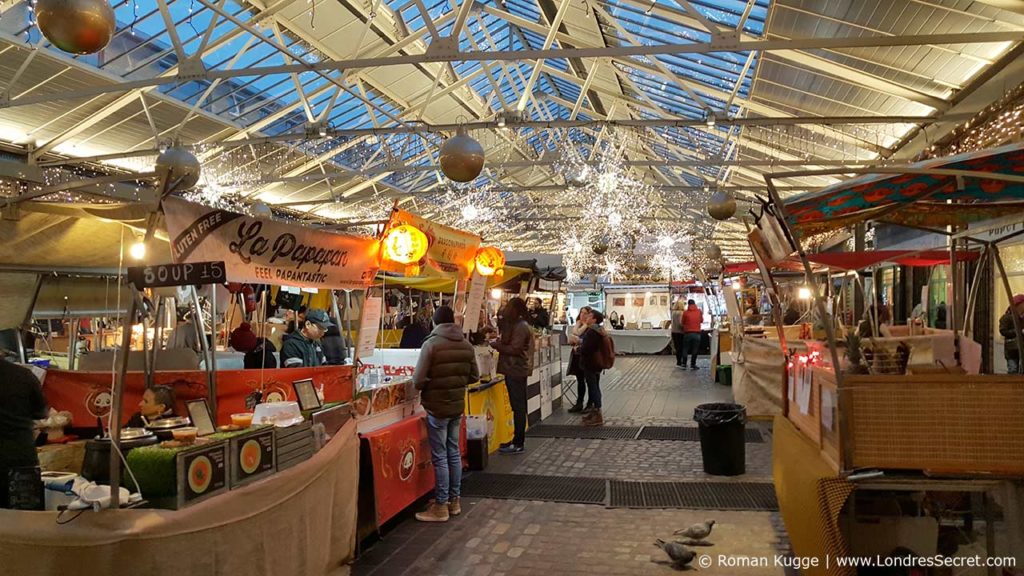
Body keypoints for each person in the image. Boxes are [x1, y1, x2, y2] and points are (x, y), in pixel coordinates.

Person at [412, 306, 479, 522]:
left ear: (434, 322)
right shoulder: (467, 345)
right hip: (456, 407)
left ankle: (441, 506)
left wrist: (433, 383)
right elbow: (474, 376)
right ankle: (455, 501)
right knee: (453, 453)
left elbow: (418, 380)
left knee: (440, 456)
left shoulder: (431, 344)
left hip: (437, 408)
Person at [0, 356, 48, 508]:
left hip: (17, 458)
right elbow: (41, 413)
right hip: (20, 460)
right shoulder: (23, 375)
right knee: (24, 521)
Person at [490, 297, 531, 455]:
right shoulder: (518, 325)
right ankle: (516, 439)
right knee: (517, 406)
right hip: (513, 369)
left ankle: (518, 442)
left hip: (516, 370)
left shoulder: (521, 327)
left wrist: (497, 345)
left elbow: (515, 349)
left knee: (518, 406)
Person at [577, 310, 608, 426]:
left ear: (594, 319)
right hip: (596, 363)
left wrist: (578, 348)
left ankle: (597, 413)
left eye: (589, 316)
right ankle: (594, 412)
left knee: (593, 386)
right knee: (594, 386)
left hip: (590, 363)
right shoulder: (599, 330)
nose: (587, 318)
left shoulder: (592, 332)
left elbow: (587, 348)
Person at [566, 306, 592, 413]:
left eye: (585, 313)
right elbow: (574, 335)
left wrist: (579, 341)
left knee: (590, 381)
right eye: (581, 312)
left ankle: (591, 403)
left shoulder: (590, 327)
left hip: (587, 357)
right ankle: (579, 402)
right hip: (577, 356)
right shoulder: (578, 325)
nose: (582, 315)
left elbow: (587, 341)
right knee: (580, 380)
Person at [999, 295, 1024, 374]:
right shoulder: (1007, 318)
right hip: (1012, 350)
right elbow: (1003, 331)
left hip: (1021, 349)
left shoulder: (1022, 318)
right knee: (1013, 369)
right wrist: (1019, 332)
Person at [681, 299, 703, 370]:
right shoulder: (699, 311)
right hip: (697, 333)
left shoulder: (685, 313)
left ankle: (684, 364)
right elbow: (701, 320)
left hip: (687, 333)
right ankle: (693, 364)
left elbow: (682, 322)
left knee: (685, 348)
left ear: (688, 304)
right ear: (695, 304)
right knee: (695, 349)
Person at [670, 301, 687, 369]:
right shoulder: (681, 313)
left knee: (677, 347)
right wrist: (684, 327)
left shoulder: (673, 313)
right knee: (682, 347)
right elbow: (680, 323)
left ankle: (678, 361)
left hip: (674, 332)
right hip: (680, 332)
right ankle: (681, 362)